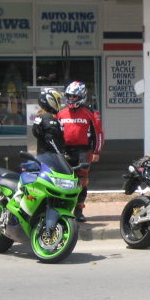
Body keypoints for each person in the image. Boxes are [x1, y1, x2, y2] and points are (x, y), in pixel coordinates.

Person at [57, 81, 105, 222]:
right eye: (69, 96)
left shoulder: (90, 113)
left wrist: (97, 151)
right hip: (65, 151)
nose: (71, 98)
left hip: (83, 151)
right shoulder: (60, 114)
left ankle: (79, 209)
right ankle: (63, 209)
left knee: (82, 181)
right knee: (62, 179)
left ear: (82, 96)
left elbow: (98, 133)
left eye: (74, 96)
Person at [32, 88, 66, 156]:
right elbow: (50, 139)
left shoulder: (40, 117)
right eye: (58, 100)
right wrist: (59, 154)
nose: (59, 103)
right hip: (50, 156)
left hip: (42, 154)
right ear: (51, 100)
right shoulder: (49, 119)